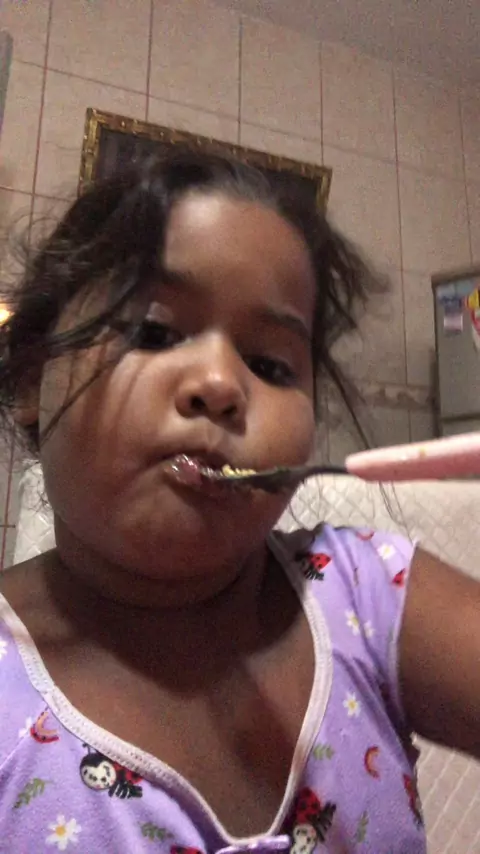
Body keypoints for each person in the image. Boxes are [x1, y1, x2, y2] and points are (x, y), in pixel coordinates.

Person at [0, 151, 477, 854]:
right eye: (154, 332)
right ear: (31, 380)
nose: (221, 384)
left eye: (269, 364)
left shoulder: (365, 590)